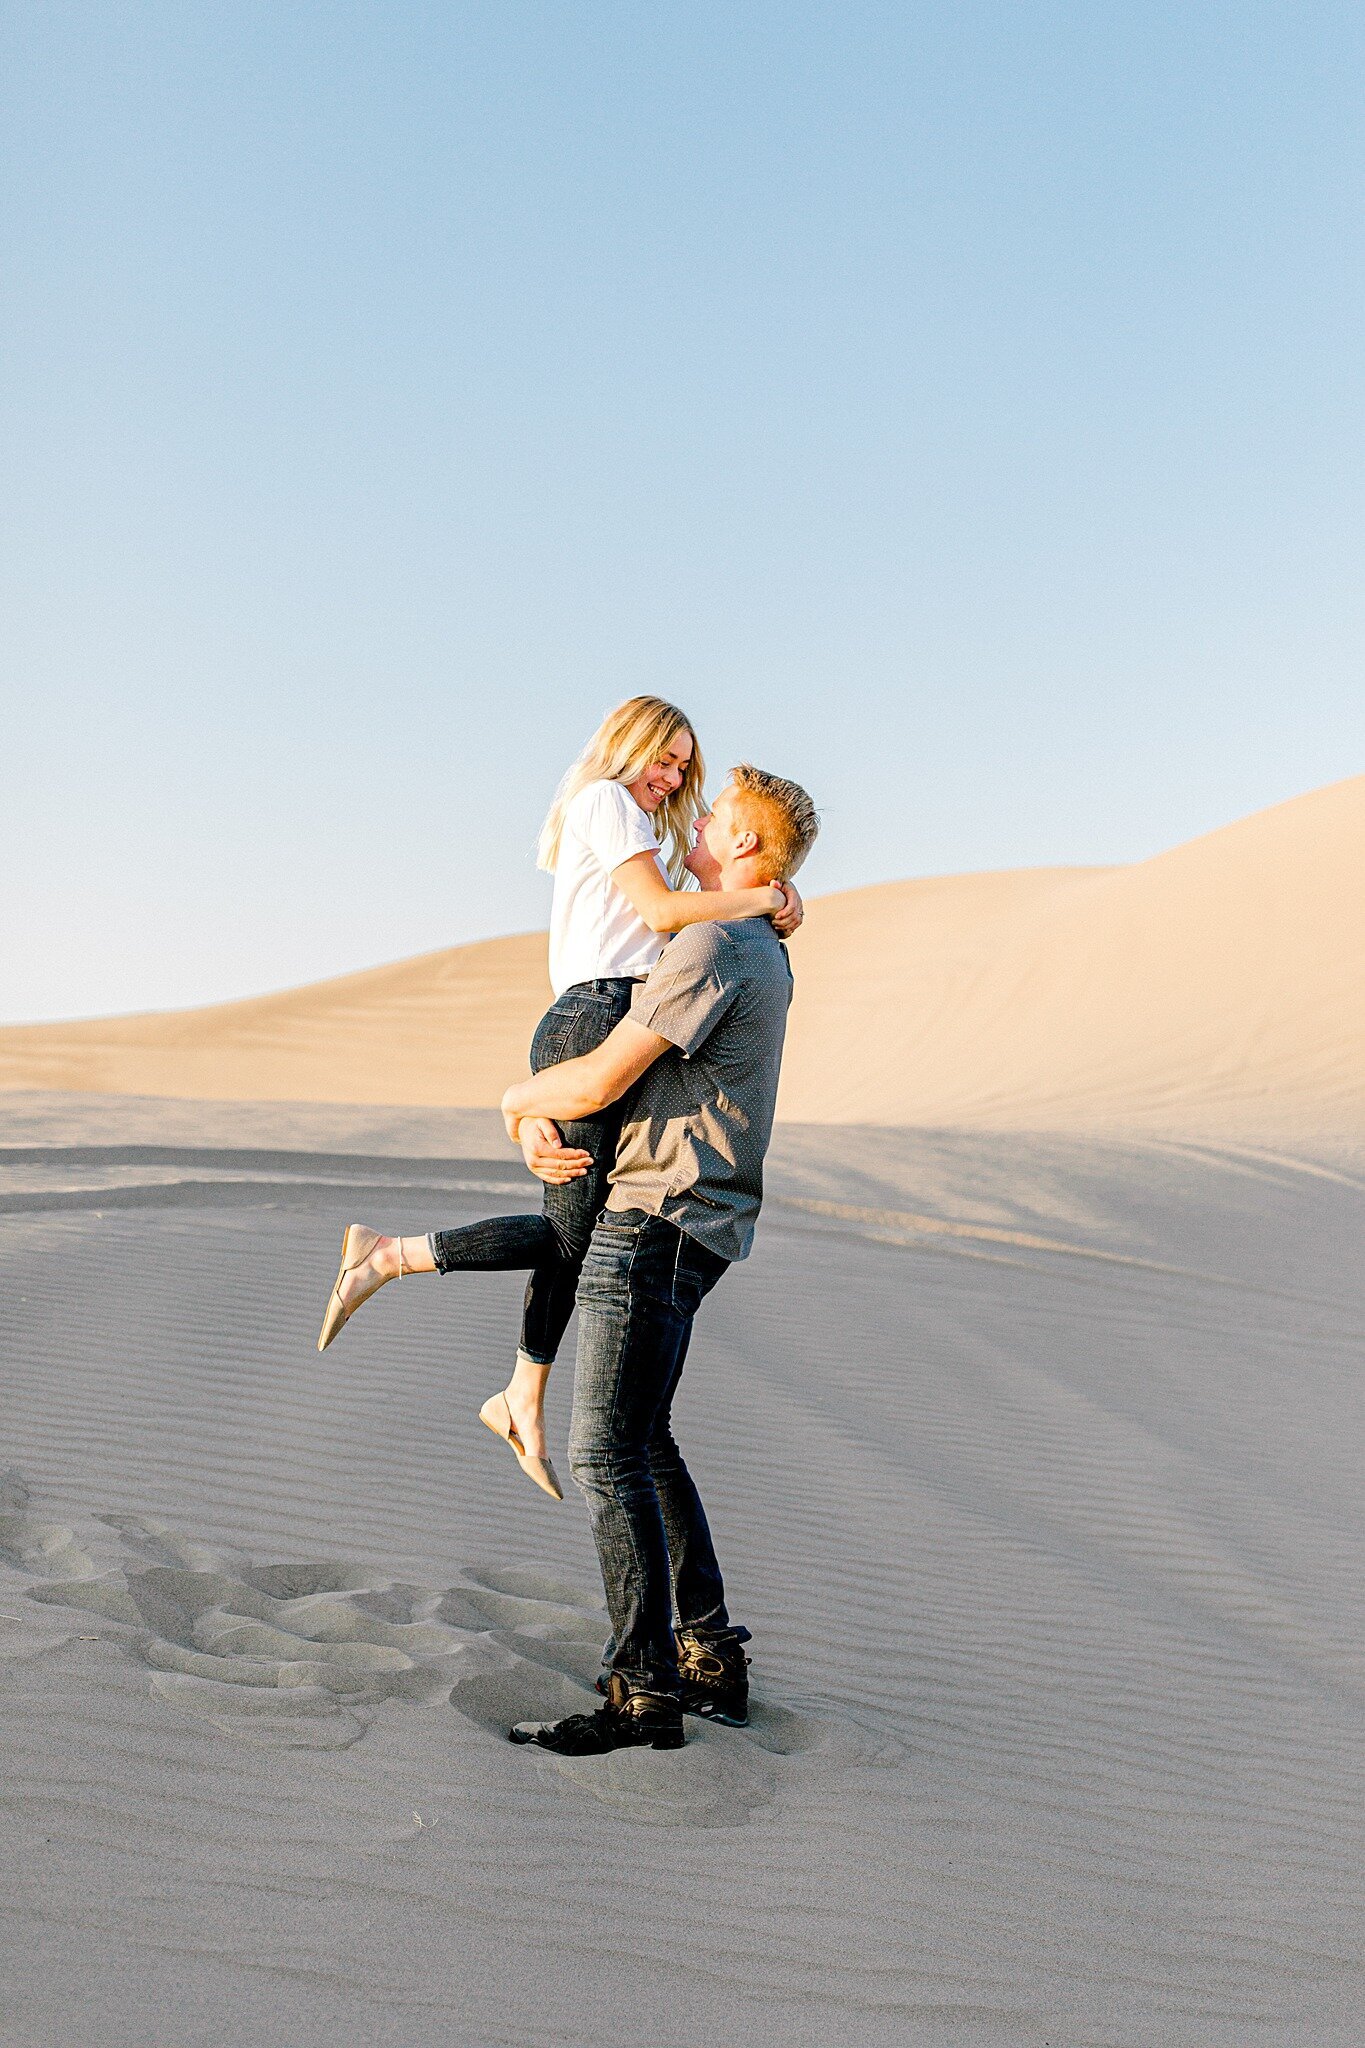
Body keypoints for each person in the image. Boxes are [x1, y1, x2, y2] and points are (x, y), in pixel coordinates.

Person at [315, 698, 801, 1500]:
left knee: (578, 1233)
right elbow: (662, 915)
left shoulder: (648, 834)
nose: (672, 777)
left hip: (610, 1014)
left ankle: (520, 1396)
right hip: (593, 1017)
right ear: (628, 745)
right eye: (665, 758)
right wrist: (764, 901)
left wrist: (778, 902)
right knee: (570, 1235)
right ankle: (389, 1259)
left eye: (684, 768)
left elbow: (690, 910)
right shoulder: (604, 801)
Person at [500, 763, 820, 1754]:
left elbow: (602, 1074)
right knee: (646, 1440)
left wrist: (512, 1103)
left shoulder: (717, 943)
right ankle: (710, 1655)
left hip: (653, 1217)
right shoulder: (759, 942)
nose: (695, 824)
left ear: (750, 851)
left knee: (603, 1450)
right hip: (700, 1219)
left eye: (716, 818)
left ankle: (644, 1694)